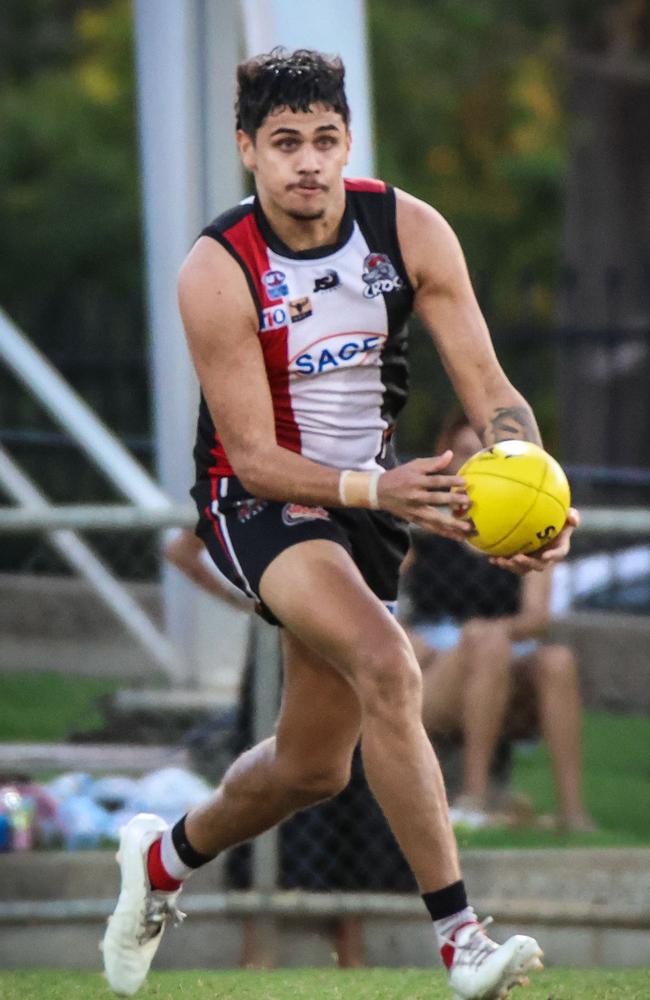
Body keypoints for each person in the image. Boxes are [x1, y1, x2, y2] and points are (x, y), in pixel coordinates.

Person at [102, 48, 578, 999]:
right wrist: (376, 490)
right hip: (260, 500)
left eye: (325, 139)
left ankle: (162, 860)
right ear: (247, 150)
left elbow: (489, 390)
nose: (308, 162)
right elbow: (251, 452)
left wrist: (536, 487)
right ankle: (462, 941)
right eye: (284, 143)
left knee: (313, 768)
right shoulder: (217, 268)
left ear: (348, 141)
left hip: (367, 501)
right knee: (388, 662)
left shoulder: (409, 230)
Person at [403, 414, 596, 833]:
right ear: (448, 463)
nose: (478, 465)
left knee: (557, 659)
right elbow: (380, 596)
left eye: (486, 455)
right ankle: (475, 799)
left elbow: (537, 618)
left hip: (505, 663)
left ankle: (573, 814)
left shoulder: (530, 525)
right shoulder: (424, 528)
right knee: (483, 642)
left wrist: (492, 633)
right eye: (467, 455)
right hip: (438, 667)